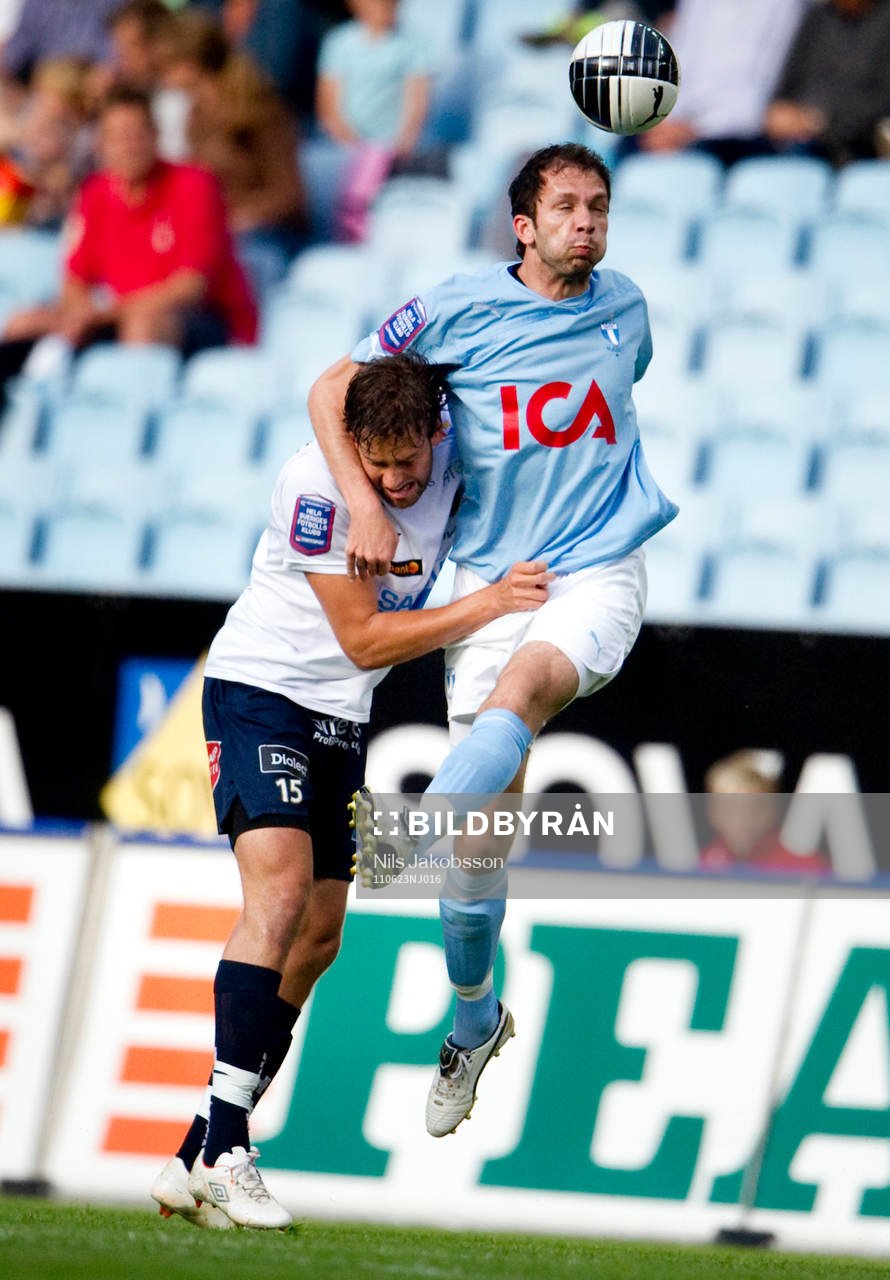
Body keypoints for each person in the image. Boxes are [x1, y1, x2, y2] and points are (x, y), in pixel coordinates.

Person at [309, 142, 678, 1138]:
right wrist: (367, 507)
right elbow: (328, 391)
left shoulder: (626, 308)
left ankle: (423, 815)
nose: (585, 223)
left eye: (596, 206)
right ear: (522, 223)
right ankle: (475, 1020)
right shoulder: (453, 309)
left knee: (523, 691)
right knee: (478, 861)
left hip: (594, 565)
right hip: (484, 574)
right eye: (564, 207)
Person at [150, 351, 552, 1230]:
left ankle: (195, 1149)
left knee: (322, 936)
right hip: (262, 692)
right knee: (283, 893)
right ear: (354, 450)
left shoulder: (448, 462)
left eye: (409, 462)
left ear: (434, 436)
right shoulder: (315, 488)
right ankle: (228, 1153)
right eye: (378, 463)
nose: (397, 479)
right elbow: (368, 641)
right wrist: (490, 605)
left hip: (340, 717)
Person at [0, 85, 257, 385]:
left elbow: (190, 288)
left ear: (155, 136)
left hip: (200, 321)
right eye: (117, 138)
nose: (128, 146)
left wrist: (105, 314)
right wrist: (79, 312)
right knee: (24, 322)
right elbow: (75, 277)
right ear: (101, 144)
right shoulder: (95, 191)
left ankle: (132, 419)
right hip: (115, 315)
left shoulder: (195, 184)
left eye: (136, 135)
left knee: (142, 325)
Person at [157, 8, 307, 292]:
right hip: (220, 232)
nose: (162, 77)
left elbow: (291, 196)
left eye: (168, 66)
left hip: (268, 237)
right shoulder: (196, 115)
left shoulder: (260, 109)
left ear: (192, 62)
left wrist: (242, 218)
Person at [314, 0, 434, 241]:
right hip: (344, 145)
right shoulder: (338, 42)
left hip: (388, 145)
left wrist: (398, 144)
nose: (386, 7)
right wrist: (351, 144)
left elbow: (417, 104)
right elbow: (328, 106)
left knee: (371, 164)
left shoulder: (414, 44)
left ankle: (356, 225)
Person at [637, 0, 807, 167]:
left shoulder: (782, 5)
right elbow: (680, 68)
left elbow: (754, 99)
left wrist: (692, 130)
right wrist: (664, 120)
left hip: (739, 138)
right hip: (682, 130)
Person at [764, 0, 890, 167]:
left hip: (854, 151)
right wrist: (782, 116)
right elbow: (784, 90)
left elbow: (882, 103)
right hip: (793, 143)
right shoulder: (817, 17)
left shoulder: (884, 20)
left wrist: (819, 121)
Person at [699, 750, 831, 875]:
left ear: (774, 811)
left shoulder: (807, 869)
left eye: (756, 808)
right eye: (730, 808)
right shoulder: (698, 867)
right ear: (712, 812)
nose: (743, 820)